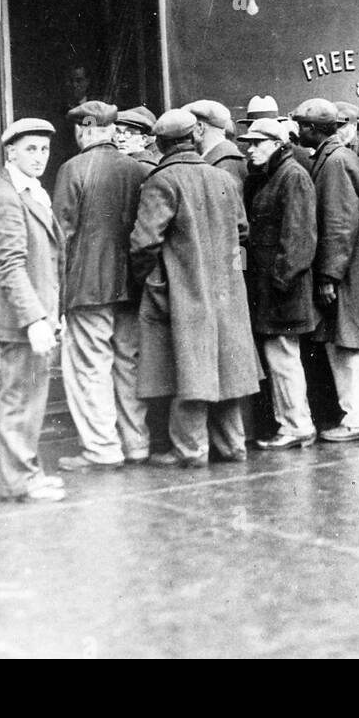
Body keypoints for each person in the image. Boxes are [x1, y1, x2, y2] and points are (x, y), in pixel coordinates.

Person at [131, 110, 262, 467]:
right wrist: (234, 275)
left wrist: (147, 280)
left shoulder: (162, 181)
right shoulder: (222, 177)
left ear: (161, 143)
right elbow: (243, 234)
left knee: (188, 370)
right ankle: (233, 445)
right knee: (225, 369)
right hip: (226, 293)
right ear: (193, 137)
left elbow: (144, 244)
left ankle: (191, 450)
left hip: (183, 292)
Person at [52, 101, 149, 471]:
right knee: (128, 364)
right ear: (110, 129)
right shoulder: (136, 168)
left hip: (87, 286)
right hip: (130, 285)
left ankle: (103, 448)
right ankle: (136, 443)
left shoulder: (72, 169)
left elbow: (62, 236)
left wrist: (57, 297)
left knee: (91, 367)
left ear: (83, 131)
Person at [0, 118, 66, 502]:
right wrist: (34, 319)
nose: (40, 157)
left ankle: (27, 474)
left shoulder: (29, 192)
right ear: (10, 151)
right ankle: (19, 480)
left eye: (45, 149)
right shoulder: (6, 197)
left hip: (35, 315)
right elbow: (10, 265)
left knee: (29, 397)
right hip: (21, 319)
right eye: (31, 149)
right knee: (19, 398)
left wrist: (51, 312)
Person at [292, 99, 359, 443]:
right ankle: (356, 415)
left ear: (313, 129)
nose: (298, 132)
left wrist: (329, 277)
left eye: (302, 126)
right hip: (345, 271)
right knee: (342, 343)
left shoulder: (336, 162)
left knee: (347, 344)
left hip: (344, 273)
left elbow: (340, 225)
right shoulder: (335, 158)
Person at [241, 117, 319, 449]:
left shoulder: (291, 177)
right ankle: (292, 422)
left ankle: (297, 425)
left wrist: (280, 279)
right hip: (274, 287)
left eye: (257, 143)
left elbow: (301, 238)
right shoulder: (275, 176)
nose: (251, 149)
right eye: (249, 143)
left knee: (283, 358)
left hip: (282, 289)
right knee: (280, 358)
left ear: (276, 144)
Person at [184, 99, 247, 193]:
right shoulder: (227, 158)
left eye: (189, 129)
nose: (188, 135)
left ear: (200, 127)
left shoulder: (222, 164)